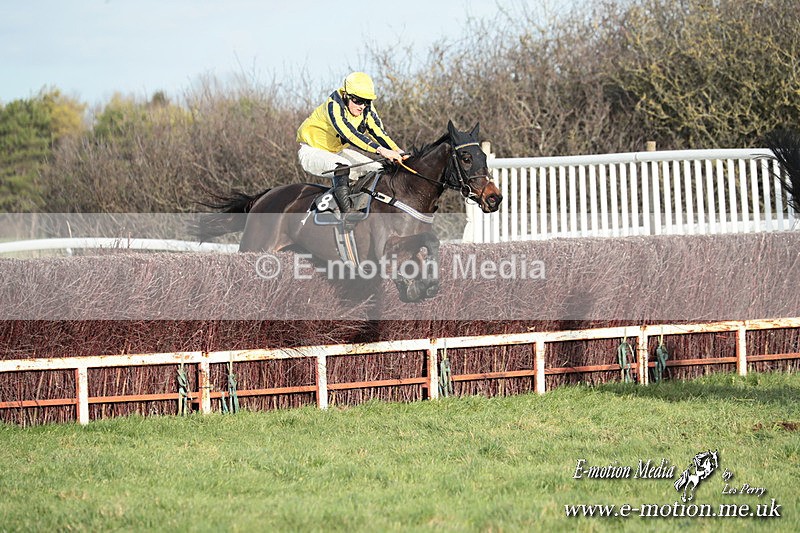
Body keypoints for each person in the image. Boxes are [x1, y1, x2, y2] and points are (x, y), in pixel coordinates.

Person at [297, 71, 406, 212]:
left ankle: (363, 208)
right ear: (346, 95)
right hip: (312, 151)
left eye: (367, 102)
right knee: (343, 166)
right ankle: (346, 214)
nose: (362, 106)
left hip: (336, 152)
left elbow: (379, 133)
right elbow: (350, 135)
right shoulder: (334, 105)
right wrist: (381, 150)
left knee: (378, 170)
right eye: (358, 101)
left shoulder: (366, 109)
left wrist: (398, 151)